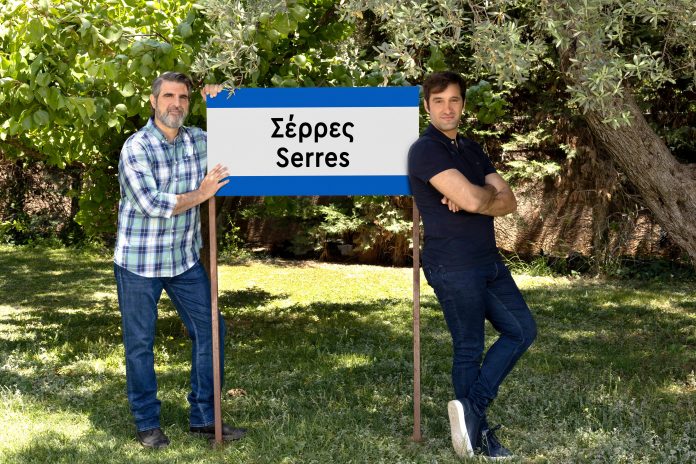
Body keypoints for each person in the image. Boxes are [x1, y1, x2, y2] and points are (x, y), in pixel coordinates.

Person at [408, 71, 537, 459]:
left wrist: (476, 197)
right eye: (438, 101)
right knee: (469, 347)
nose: (447, 108)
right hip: (452, 264)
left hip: (488, 260)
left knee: (522, 330)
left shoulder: (471, 148)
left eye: (454, 100)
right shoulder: (425, 150)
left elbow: (508, 201)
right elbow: (480, 199)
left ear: (463, 104)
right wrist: (481, 195)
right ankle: (476, 437)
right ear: (427, 106)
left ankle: (471, 409)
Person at [114, 71, 245, 449]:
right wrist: (202, 194)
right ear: (153, 101)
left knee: (212, 330)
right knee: (140, 344)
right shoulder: (136, 147)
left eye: (183, 97)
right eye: (168, 96)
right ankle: (147, 423)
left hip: (183, 260)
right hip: (139, 262)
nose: (176, 103)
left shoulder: (200, 141)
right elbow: (152, 203)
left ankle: (204, 417)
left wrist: (224, 102)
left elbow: (246, 141)